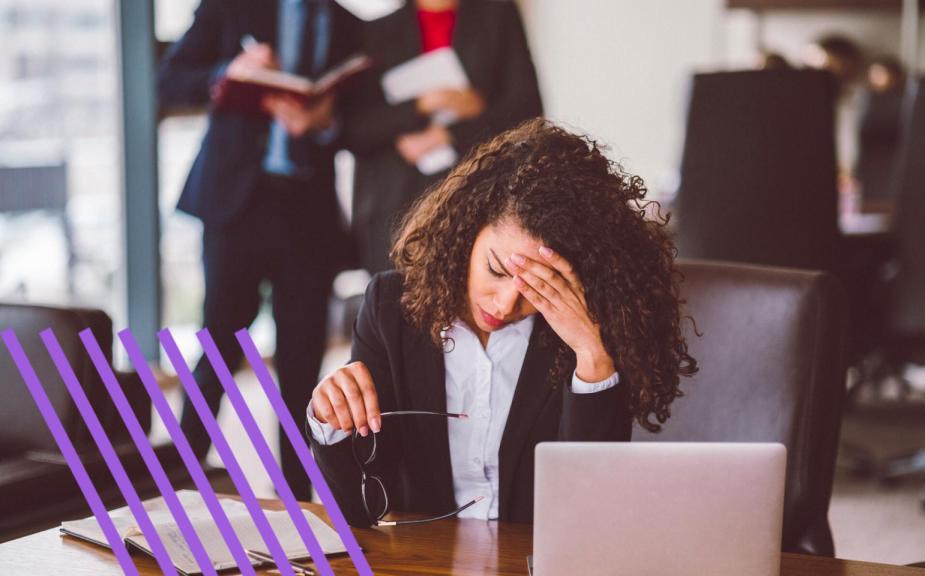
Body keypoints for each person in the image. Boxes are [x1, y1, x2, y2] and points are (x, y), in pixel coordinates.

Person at [305, 119, 698, 527]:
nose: (507, 303)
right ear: (466, 231)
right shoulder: (391, 307)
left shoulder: (584, 330)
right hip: (425, 560)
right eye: (496, 269)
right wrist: (331, 421)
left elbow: (588, 516)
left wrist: (592, 356)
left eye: (538, 286)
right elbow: (361, 509)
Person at [157, 0, 361, 501]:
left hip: (307, 211)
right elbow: (169, 80)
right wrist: (230, 71)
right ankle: (177, 482)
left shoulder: (346, 23)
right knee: (219, 346)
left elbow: (360, 118)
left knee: (301, 359)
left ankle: (294, 495)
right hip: (237, 206)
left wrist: (325, 122)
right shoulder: (229, 7)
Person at [338, 0, 543, 274]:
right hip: (398, 210)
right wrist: (420, 105)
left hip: (479, 198)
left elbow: (527, 111)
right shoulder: (378, 31)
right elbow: (355, 130)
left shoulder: (496, 17)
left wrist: (451, 133)